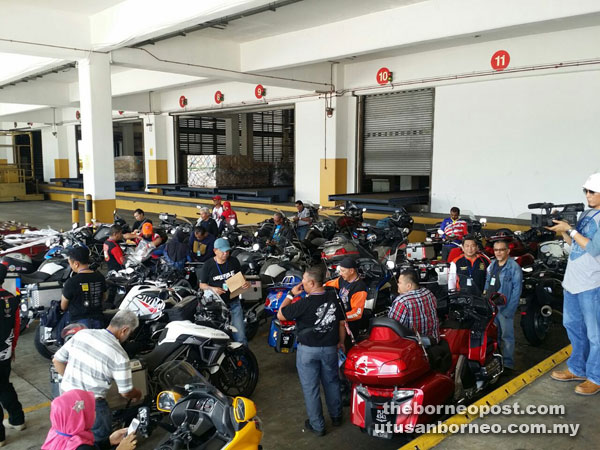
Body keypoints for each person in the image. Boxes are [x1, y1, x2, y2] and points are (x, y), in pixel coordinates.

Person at [52, 310, 143, 443]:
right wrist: (137, 394)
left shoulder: (82, 334)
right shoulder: (120, 355)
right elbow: (125, 392)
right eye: (130, 333)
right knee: (98, 443)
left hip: (66, 400)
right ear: (125, 330)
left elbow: (57, 360)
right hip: (92, 407)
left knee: (70, 441)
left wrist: (72, 381)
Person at [278, 266, 345, 436]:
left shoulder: (304, 303)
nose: (302, 285)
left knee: (311, 389)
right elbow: (341, 323)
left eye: (304, 282)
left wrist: (291, 294)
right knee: (332, 382)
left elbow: (281, 315)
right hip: (330, 349)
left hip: (307, 352)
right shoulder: (334, 297)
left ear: (312, 283)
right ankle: (337, 416)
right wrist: (342, 342)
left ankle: (318, 425)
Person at [548, 173, 600, 395]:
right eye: (586, 191)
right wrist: (563, 231)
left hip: (591, 284)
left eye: (592, 191)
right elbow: (575, 244)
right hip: (573, 282)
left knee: (595, 335)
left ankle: (595, 377)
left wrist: (570, 229)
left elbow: (594, 248)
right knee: (573, 327)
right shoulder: (588, 213)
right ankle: (578, 368)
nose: (588, 195)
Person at [41, 389, 136, 450]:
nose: (95, 413)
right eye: (92, 410)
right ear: (80, 418)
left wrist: (108, 441)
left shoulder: (57, 433)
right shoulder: (80, 447)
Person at [198, 238, 250, 345]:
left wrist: (245, 283)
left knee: (240, 337)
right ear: (215, 251)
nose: (225, 254)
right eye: (222, 251)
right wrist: (213, 289)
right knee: (219, 338)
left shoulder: (233, 261)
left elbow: (241, 277)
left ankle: (244, 359)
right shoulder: (208, 265)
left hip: (234, 303)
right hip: (218, 307)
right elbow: (202, 285)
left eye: (227, 251)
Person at [483, 240, 523, 371]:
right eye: (496, 250)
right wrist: (485, 299)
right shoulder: (492, 264)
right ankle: (497, 362)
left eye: (501, 250)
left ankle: (508, 364)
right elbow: (488, 283)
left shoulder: (513, 267)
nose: (498, 252)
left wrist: (510, 310)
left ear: (508, 251)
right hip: (492, 307)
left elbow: (517, 290)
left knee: (507, 337)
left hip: (505, 308)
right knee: (495, 335)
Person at [0, 263, 25, 446]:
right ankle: (17, 419)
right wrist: (13, 348)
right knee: (4, 384)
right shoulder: (12, 298)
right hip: (6, 351)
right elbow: (16, 327)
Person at [388, 268, 440, 342]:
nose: (397, 284)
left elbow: (392, 329)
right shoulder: (428, 293)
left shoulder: (402, 301)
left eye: (399, 282)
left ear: (409, 286)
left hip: (416, 346)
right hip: (434, 341)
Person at [61, 247, 106, 329]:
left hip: (78, 323)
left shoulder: (71, 282)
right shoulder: (100, 277)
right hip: (99, 321)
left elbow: (63, 306)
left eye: (70, 263)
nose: (70, 266)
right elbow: (103, 298)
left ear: (76, 264)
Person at [324, 257, 367, 343]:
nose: (340, 273)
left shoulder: (359, 288)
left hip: (350, 327)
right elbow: (329, 284)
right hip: (339, 320)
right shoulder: (342, 279)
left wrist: (339, 317)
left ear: (351, 271)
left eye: (343, 271)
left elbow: (357, 313)